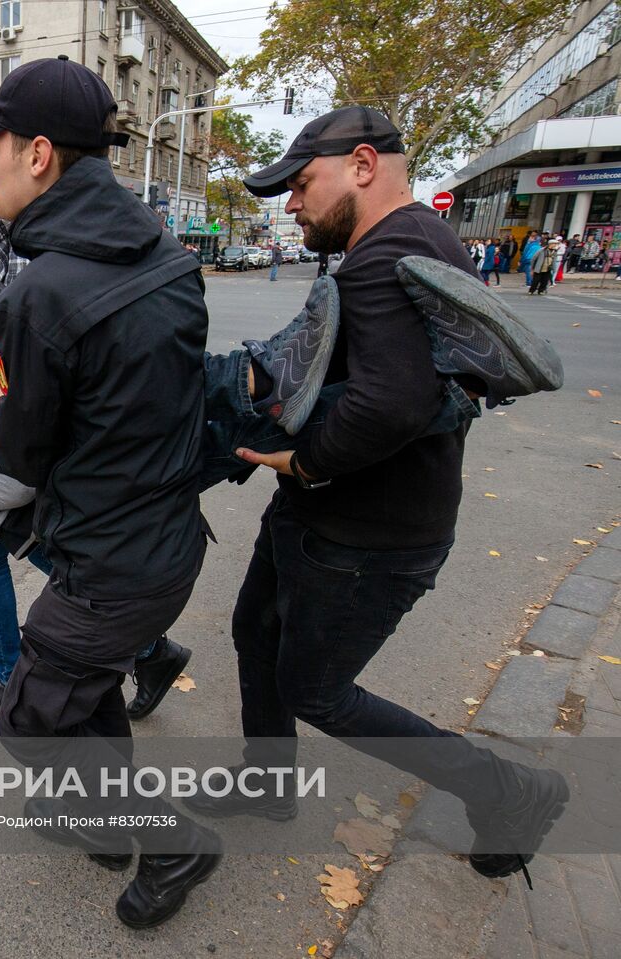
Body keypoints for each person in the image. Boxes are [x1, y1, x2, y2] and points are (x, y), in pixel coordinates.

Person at [183, 106, 568, 889]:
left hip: (369, 536)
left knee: (316, 689)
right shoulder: (413, 239)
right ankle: (269, 784)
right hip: (332, 516)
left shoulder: (384, 252)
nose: (289, 204)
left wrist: (306, 463)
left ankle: (512, 789)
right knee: (255, 631)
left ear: (363, 164)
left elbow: (388, 404)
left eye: (299, 184)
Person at [0, 56, 224, 928]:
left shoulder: (44, 291)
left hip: (112, 563)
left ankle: (178, 843)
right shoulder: (169, 257)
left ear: (37, 154)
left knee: (30, 720)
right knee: (88, 689)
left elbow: (26, 459)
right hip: (164, 538)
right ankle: (102, 819)